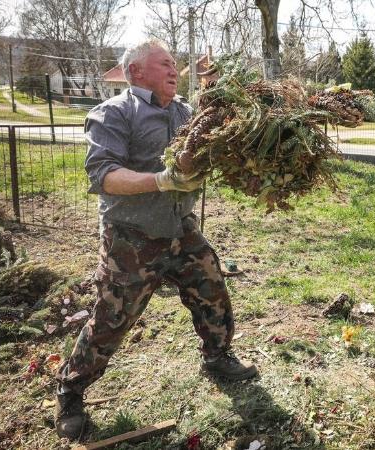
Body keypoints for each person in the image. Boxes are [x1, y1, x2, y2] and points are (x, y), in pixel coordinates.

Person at [53, 39, 257, 440]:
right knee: (113, 319)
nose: (173, 70)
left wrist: (221, 92)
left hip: (181, 228)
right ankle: (70, 390)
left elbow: (219, 132)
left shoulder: (184, 111)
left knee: (211, 289)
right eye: (164, 63)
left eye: (175, 65)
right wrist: (162, 180)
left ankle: (217, 356)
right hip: (131, 238)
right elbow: (103, 175)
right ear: (135, 72)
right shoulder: (113, 113)